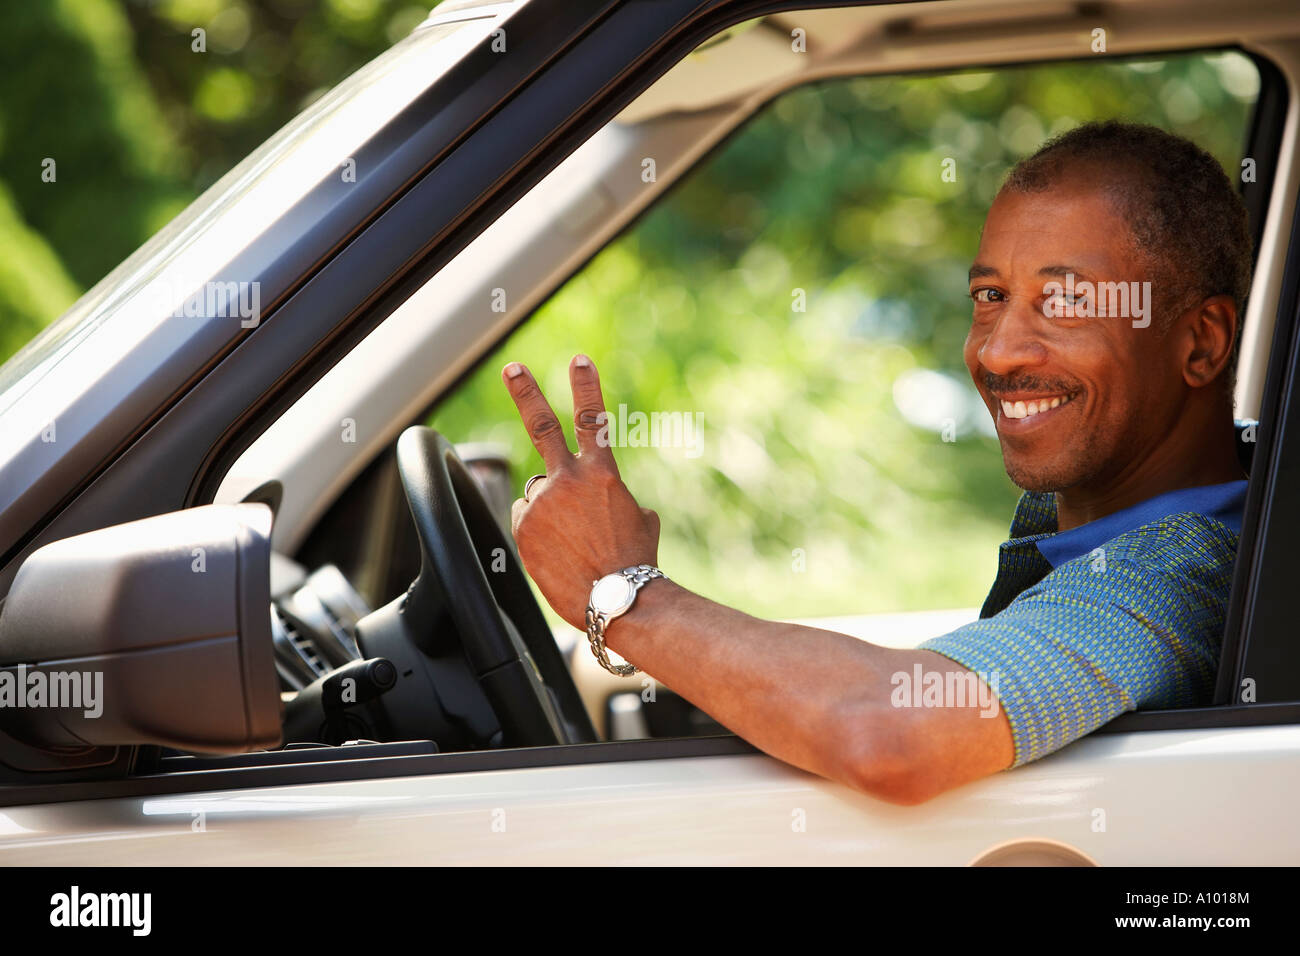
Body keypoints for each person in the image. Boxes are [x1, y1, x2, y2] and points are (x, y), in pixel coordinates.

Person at [500, 121, 1253, 804]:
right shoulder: (1157, 514)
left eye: (1064, 302)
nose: (997, 351)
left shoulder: (1177, 569)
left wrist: (625, 594)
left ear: (1201, 343)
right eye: (990, 295)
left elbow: (894, 735)